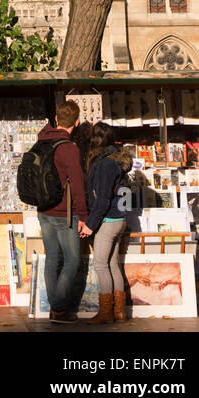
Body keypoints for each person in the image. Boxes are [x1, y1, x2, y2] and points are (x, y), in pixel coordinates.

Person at [36, 100, 89, 323]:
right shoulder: (69, 149)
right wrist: (83, 216)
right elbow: (77, 185)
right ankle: (58, 309)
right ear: (76, 123)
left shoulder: (40, 141)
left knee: (52, 259)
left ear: (56, 119)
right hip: (64, 214)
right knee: (72, 261)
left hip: (43, 210)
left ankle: (55, 308)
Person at [80, 122, 133, 324]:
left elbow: (102, 200)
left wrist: (90, 224)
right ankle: (119, 311)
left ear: (96, 140)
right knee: (113, 264)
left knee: (101, 264)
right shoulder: (117, 161)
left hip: (108, 219)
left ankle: (105, 313)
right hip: (119, 219)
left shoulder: (104, 164)